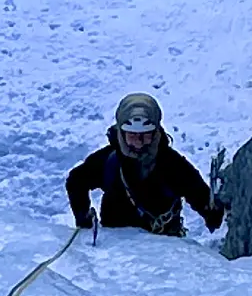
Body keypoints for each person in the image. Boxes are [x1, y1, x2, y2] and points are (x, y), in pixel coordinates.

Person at [66, 93, 225, 237]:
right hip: (119, 243)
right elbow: (76, 181)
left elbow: (197, 192)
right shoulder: (109, 161)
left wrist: (212, 213)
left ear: (155, 133)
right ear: (122, 134)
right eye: (132, 135)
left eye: (145, 135)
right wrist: (83, 218)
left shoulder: (172, 165)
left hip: (157, 242)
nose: (139, 142)